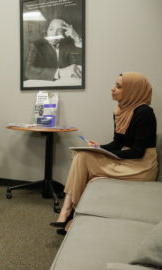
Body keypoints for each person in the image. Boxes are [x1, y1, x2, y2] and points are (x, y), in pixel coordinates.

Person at [50, 72, 158, 234]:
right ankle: (69, 213)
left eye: (119, 86)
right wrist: (99, 147)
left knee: (82, 159)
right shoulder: (120, 110)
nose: (112, 88)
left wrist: (105, 154)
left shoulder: (145, 113)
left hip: (141, 166)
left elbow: (138, 152)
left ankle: (68, 213)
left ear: (132, 90)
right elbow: (118, 143)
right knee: (82, 156)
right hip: (126, 160)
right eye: (115, 84)